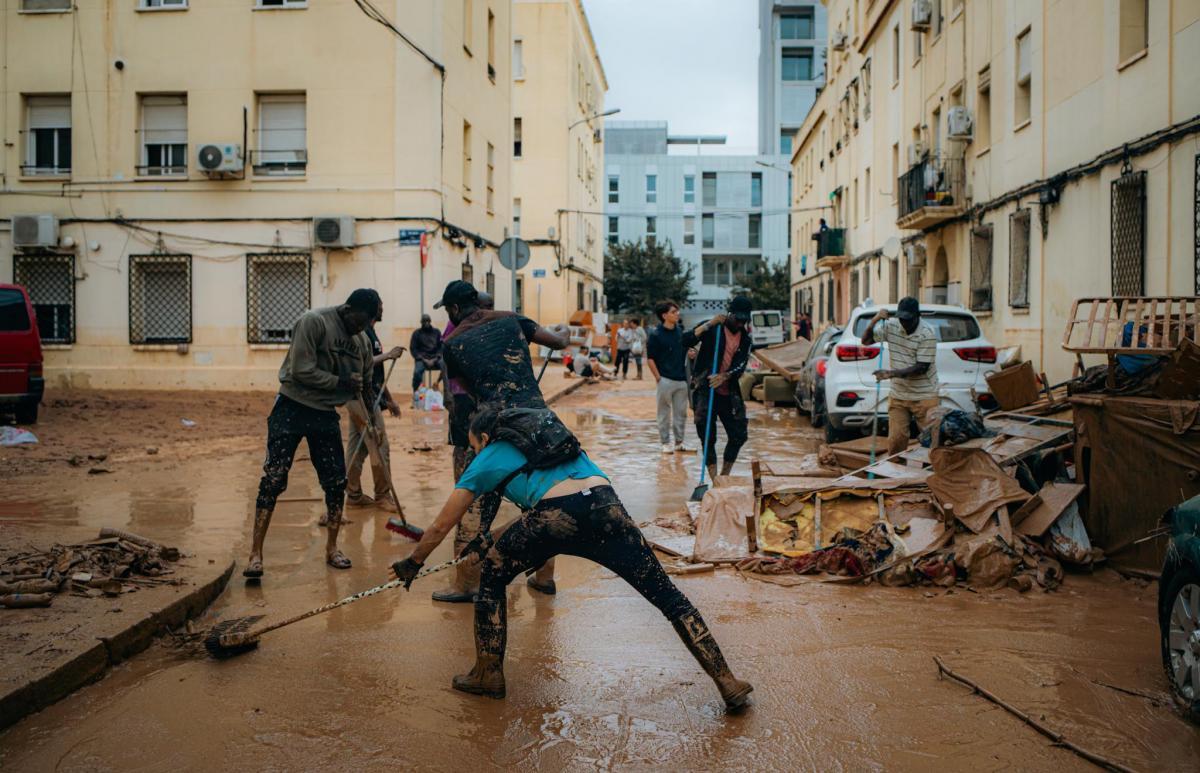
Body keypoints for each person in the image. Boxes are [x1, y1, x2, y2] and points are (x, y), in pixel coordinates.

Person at [390, 405, 754, 709]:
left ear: (484, 439)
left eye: (474, 446)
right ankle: (727, 681)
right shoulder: (548, 445)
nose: (475, 453)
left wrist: (413, 562)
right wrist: (494, 541)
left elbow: (440, 526)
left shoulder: (488, 456)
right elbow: (548, 503)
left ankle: (487, 674)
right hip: (605, 504)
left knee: (492, 578)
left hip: (553, 516)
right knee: (666, 594)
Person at [431, 280, 568, 602]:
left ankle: (465, 584)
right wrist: (563, 330)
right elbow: (559, 343)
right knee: (541, 499)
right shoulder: (512, 318)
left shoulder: (451, 343)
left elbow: (469, 388)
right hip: (539, 422)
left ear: (453, 308)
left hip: (494, 427)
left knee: (473, 506)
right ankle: (544, 576)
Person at [244, 289, 379, 578]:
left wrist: (372, 423)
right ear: (347, 308)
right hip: (291, 406)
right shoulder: (314, 321)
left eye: (367, 324)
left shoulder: (363, 342)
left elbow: (366, 386)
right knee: (274, 477)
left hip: (325, 413)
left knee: (335, 482)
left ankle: (332, 549)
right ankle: (256, 553)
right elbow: (300, 369)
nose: (360, 328)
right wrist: (341, 381)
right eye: (359, 321)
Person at [345, 302, 405, 513]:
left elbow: (375, 373)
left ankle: (352, 494)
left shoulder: (371, 332)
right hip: (359, 397)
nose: (382, 309)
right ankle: (382, 495)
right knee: (380, 444)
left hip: (370, 394)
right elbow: (364, 363)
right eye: (379, 305)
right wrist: (388, 355)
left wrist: (388, 400)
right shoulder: (360, 333)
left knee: (357, 446)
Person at [861, 296, 939, 456]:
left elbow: (921, 368)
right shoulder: (892, 326)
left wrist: (890, 374)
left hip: (924, 395)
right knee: (896, 440)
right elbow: (866, 340)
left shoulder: (927, 333)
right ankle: (894, 470)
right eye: (901, 319)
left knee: (932, 440)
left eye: (908, 320)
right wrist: (875, 319)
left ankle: (934, 471)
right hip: (899, 395)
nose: (904, 323)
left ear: (918, 316)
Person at [689, 296, 753, 481]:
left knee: (739, 434)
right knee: (707, 436)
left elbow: (741, 365)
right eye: (737, 319)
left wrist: (725, 376)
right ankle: (713, 479)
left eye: (744, 320)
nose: (740, 324)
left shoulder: (745, 340)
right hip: (705, 391)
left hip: (729, 393)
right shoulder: (713, 329)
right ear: (729, 314)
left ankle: (724, 477)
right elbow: (686, 340)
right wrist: (709, 324)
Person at [646, 301, 692, 454]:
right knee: (664, 413)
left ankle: (679, 442)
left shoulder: (680, 332)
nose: (677, 314)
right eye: (674, 312)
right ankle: (665, 443)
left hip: (681, 380)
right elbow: (650, 358)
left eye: (677, 311)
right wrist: (658, 378)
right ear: (665, 315)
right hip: (665, 379)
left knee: (681, 413)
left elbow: (685, 351)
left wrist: (690, 353)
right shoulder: (656, 335)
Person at [409, 313, 444, 404]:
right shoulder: (416, 333)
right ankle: (415, 392)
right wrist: (423, 359)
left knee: (445, 366)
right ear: (421, 322)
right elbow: (413, 348)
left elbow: (441, 347)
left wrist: (435, 358)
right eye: (424, 321)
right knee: (417, 372)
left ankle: (439, 384)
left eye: (428, 321)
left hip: (435, 358)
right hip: (422, 359)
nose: (426, 323)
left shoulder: (437, 332)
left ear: (430, 321)